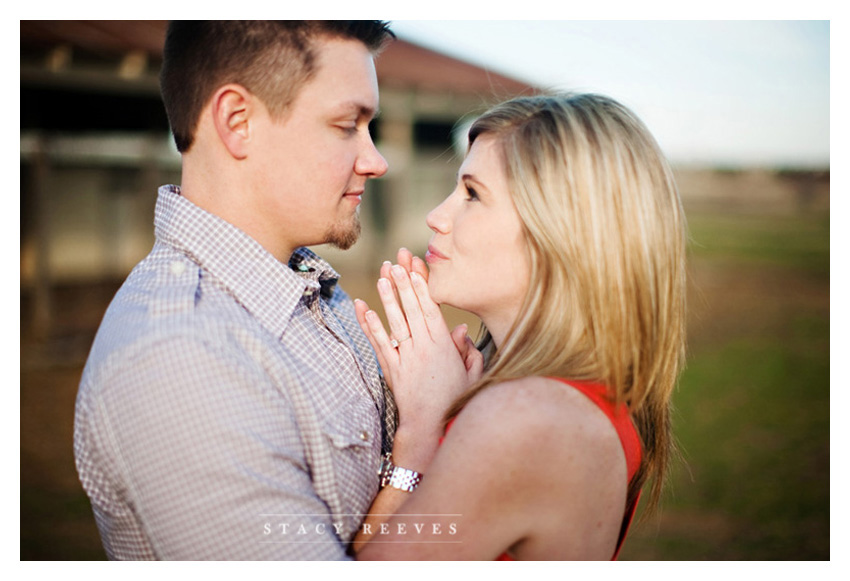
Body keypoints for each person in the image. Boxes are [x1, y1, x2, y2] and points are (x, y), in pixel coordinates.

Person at [73, 21, 400, 560]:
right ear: (237, 121)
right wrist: (420, 448)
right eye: (347, 125)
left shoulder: (308, 290)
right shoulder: (179, 358)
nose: (376, 160)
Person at [351, 93, 687, 560]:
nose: (437, 216)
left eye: (472, 194)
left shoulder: (525, 418)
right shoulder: (587, 399)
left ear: (562, 231)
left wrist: (424, 434)